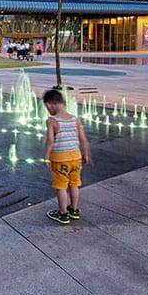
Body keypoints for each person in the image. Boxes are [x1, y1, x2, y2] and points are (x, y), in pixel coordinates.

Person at [41, 89, 93, 224]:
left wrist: (46, 157)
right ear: (64, 103)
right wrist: (85, 154)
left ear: (48, 105)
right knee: (74, 184)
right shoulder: (74, 119)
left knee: (61, 187)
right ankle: (74, 210)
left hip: (59, 159)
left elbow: (50, 140)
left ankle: (63, 213)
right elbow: (83, 139)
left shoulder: (52, 120)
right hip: (76, 158)